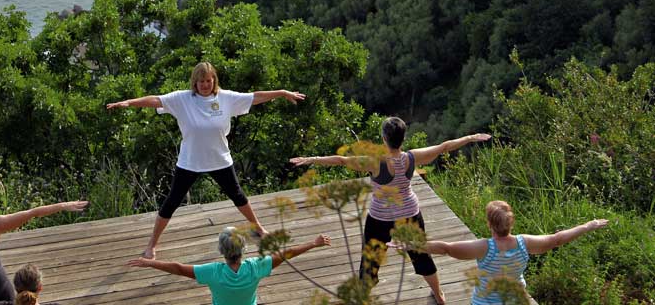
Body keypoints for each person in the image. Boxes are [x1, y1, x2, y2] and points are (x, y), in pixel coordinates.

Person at [107, 61, 305, 258]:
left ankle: (259, 228)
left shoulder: (226, 98)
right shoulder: (182, 99)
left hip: (219, 159)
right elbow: (155, 100)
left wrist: (282, 92)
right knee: (171, 202)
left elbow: (255, 97)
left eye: (208, 81)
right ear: (195, 82)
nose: (205, 85)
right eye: (201, 81)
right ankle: (152, 245)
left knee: (238, 196)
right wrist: (130, 103)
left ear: (214, 81)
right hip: (190, 161)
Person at [290, 117, 491, 305]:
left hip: (380, 220)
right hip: (410, 215)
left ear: (384, 139)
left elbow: (341, 160)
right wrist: (471, 138)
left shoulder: (376, 162)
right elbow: (444, 147)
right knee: (421, 254)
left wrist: (311, 159)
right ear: (403, 138)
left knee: (370, 261)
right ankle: (439, 295)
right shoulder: (412, 157)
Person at [400, 200, 608, 305]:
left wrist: (411, 245)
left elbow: (445, 248)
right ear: (511, 222)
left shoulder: (483, 247)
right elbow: (557, 239)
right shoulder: (524, 243)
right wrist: (588, 225)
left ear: (489, 224)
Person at [128, 227, 331, 305]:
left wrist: (150, 263)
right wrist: (313, 243)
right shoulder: (255, 266)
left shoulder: (212, 272)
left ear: (221, 250)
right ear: (243, 249)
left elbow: (178, 268)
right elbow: (287, 254)